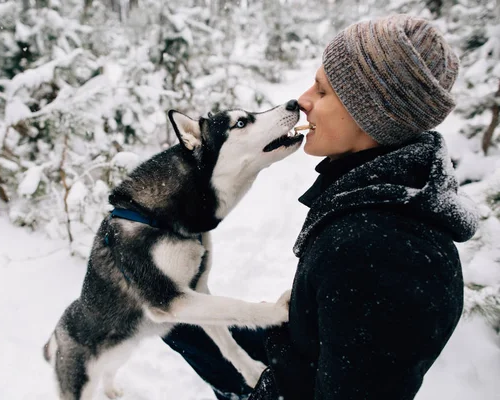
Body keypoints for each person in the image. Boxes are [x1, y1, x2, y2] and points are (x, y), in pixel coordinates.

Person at [163, 14, 480, 400]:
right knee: (171, 319)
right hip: (293, 358)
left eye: (324, 91)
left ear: (373, 115)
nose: (303, 100)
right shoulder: (376, 198)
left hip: (280, 385)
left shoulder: (382, 251)